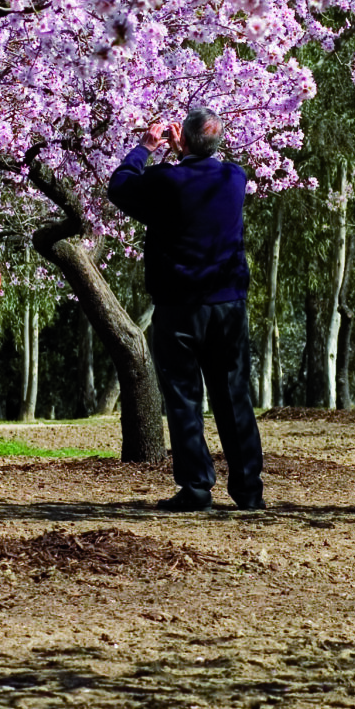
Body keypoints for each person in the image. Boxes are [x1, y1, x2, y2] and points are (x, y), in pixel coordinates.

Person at [107, 108, 265, 513]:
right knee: (234, 396)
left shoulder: (166, 181)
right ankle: (248, 490)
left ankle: (196, 487)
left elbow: (121, 185)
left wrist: (147, 148)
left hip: (179, 306)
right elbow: (201, 172)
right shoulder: (234, 178)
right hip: (227, 305)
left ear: (185, 142)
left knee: (183, 398)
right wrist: (186, 151)